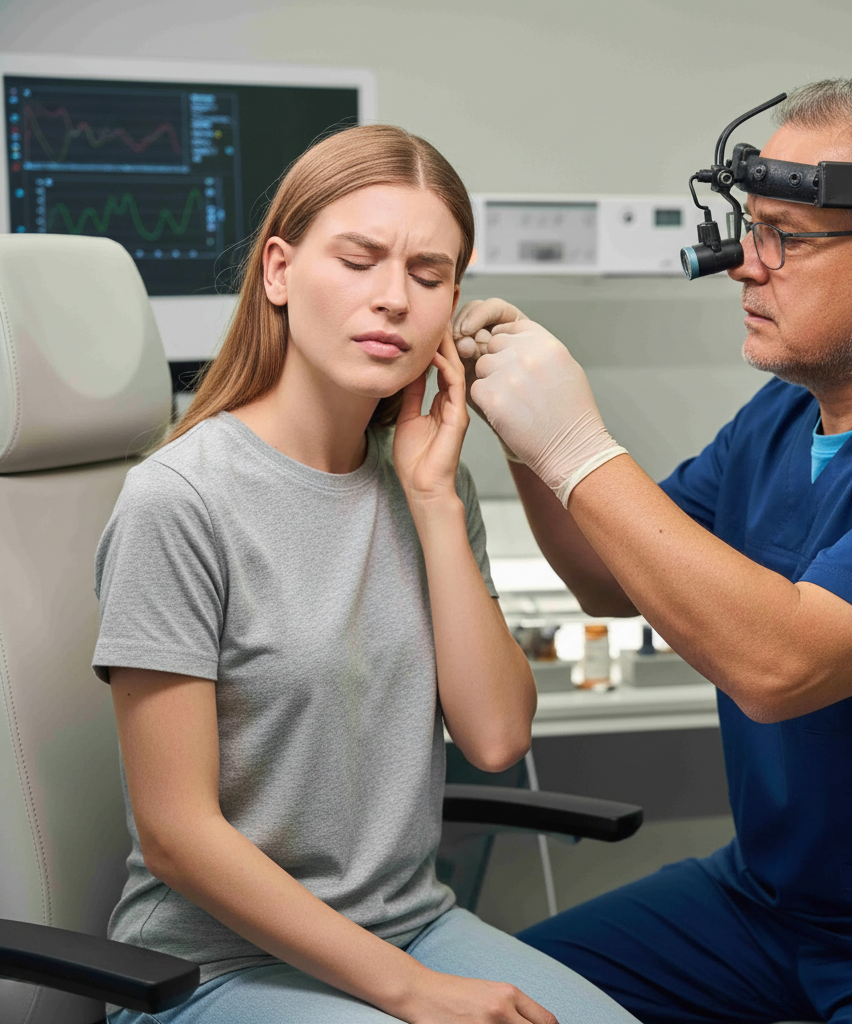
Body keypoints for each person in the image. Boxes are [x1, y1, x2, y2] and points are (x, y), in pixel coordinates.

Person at [452, 78, 852, 1023]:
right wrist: (525, 438)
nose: (743, 266)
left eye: (785, 239)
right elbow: (605, 579)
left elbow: (779, 663)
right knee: (490, 1004)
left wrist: (578, 447)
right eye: (747, 228)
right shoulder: (787, 413)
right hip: (762, 901)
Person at [93, 124, 640, 1024]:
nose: (393, 298)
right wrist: (414, 995)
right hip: (215, 968)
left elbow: (497, 738)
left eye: (428, 276)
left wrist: (431, 502)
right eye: (359, 261)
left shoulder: (431, 480)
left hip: (411, 927)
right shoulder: (179, 501)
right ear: (278, 270)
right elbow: (178, 837)